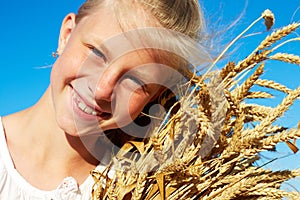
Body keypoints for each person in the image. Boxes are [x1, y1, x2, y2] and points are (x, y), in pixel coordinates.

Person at [0, 0, 208, 199]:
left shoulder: (136, 190)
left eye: (134, 80)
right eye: (98, 53)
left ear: (153, 97)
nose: (102, 89)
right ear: (67, 34)